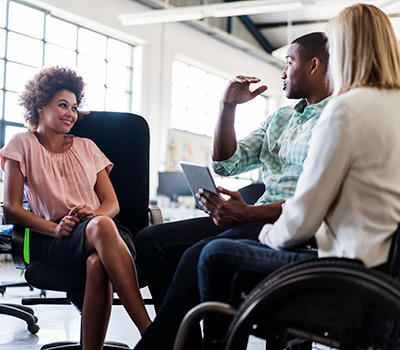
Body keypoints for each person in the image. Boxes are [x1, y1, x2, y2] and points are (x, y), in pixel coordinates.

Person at [197, 1, 400, 346]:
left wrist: (264, 234)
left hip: (344, 277)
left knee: (213, 256)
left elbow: (303, 220)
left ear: (345, 50)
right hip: (386, 278)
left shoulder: (345, 110)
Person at [134, 31, 331, 350]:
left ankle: (164, 344)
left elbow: (318, 202)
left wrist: (248, 212)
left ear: (313, 65)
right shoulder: (281, 118)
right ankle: (185, 342)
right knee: (151, 241)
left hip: (291, 226)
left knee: (202, 254)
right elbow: (227, 163)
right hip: (257, 218)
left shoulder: (336, 120)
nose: (282, 73)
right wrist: (227, 107)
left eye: (288, 62)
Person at [0, 67, 152, 350]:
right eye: (62, 105)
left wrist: (93, 215)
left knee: (97, 259)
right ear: (40, 106)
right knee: (100, 232)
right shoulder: (21, 144)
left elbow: (111, 204)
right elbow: (11, 209)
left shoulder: (88, 147)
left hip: (105, 232)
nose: (71, 113)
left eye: (74, 106)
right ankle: (150, 332)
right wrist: (55, 229)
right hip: (55, 239)